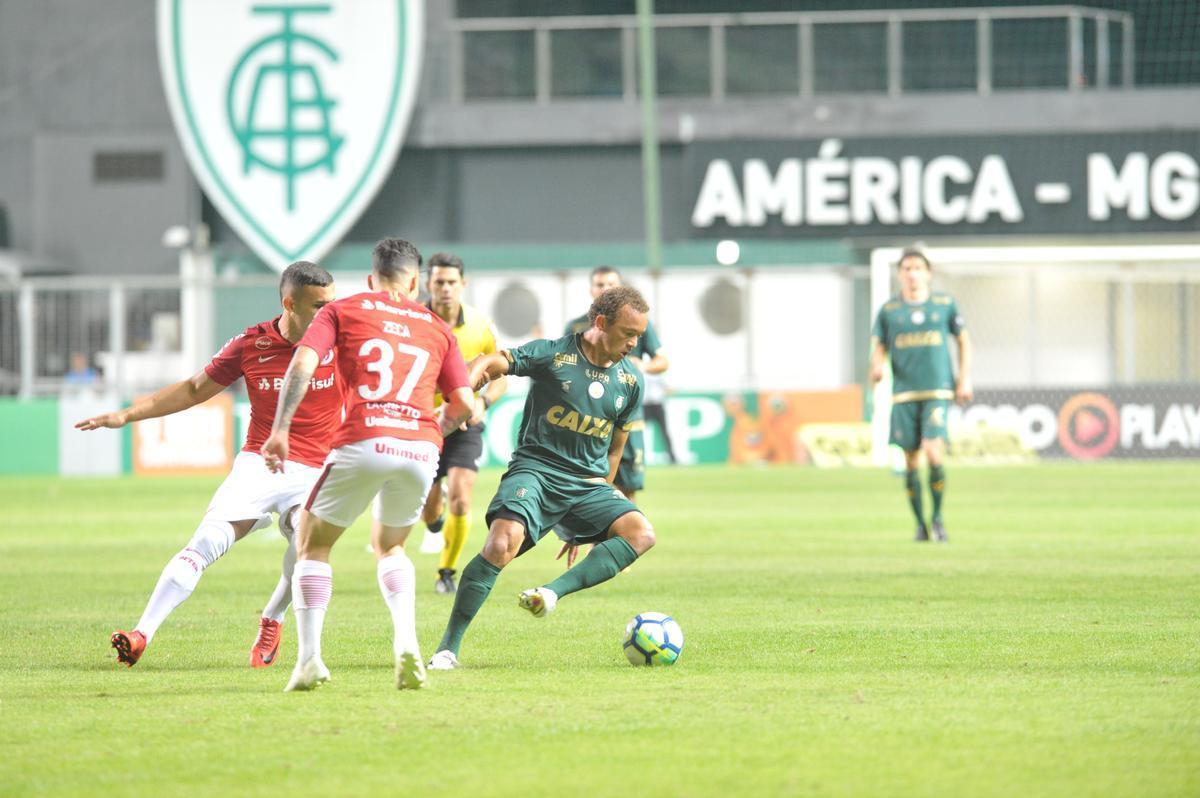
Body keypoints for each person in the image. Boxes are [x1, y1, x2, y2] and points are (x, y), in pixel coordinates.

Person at [76, 261, 341, 668]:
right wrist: (127, 415)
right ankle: (142, 633)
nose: (328, 315)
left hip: (316, 468)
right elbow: (195, 388)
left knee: (307, 544)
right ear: (289, 303)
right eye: (318, 307)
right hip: (260, 463)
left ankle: (273, 617)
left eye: (331, 305)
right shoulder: (252, 344)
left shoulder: (343, 339)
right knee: (206, 541)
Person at [261, 237, 473, 692]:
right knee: (390, 547)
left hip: (364, 437)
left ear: (371, 278)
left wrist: (280, 429)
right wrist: (437, 424)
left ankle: (310, 661)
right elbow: (466, 406)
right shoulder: (438, 327)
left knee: (311, 544)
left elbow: (302, 361)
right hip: (420, 448)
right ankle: (407, 644)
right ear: (416, 281)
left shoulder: (344, 309)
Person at [428, 285, 657, 670]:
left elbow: (614, 450)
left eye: (638, 335)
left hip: (587, 486)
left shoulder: (631, 382)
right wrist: (467, 391)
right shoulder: (554, 354)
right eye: (628, 334)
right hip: (536, 472)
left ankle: (550, 594)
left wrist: (595, 518)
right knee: (501, 544)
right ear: (601, 323)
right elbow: (491, 361)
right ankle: (447, 649)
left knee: (641, 533)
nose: (634, 344)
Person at [407, 252, 507, 594]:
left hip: (465, 423)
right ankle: (434, 523)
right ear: (427, 284)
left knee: (462, 499)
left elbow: (500, 374)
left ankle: (446, 573)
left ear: (463, 285)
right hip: (425, 424)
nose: (445, 288)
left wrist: (484, 400)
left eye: (452, 282)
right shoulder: (413, 321)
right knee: (429, 510)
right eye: (439, 282)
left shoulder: (480, 325)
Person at [869, 248, 973, 543]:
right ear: (900, 274)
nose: (912, 273)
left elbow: (964, 342)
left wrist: (964, 379)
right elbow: (879, 346)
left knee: (933, 450)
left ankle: (938, 519)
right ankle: (920, 524)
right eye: (906, 268)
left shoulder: (944, 305)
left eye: (917, 268)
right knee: (911, 460)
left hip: (937, 390)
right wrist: (876, 367)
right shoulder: (889, 311)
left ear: (928, 273)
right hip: (904, 394)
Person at [564, 266, 668, 502]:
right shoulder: (575, 328)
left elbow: (663, 360)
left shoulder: (639, 323)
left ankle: (620, 536)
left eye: (611, 284)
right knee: (586, 485)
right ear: (591, 289)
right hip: (588, 419)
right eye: (600, 285)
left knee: (627, 489)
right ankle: (588, 538)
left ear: (620, 289)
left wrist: (642, 367)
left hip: (627, 417)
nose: (605, 289)